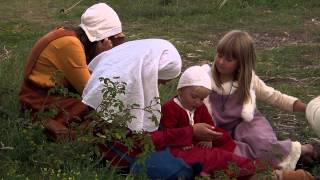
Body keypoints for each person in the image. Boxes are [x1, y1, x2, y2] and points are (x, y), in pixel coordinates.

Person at [81, 39, 315, 179]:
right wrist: (191, 133)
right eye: (161, 80)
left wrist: (204, 133)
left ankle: (269, 167)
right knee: (188, 162)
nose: (161, 86)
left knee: (228, 148)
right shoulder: (126, 95)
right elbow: (143, 142)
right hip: (135, 153)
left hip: (164, 142)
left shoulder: (131, 84)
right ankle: (265, 174)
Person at [202, 30, 317, 170]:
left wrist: (309, 108)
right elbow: (187, 101)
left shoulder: (248, 80)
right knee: (232, 156)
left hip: (248, 124)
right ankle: (292, 158)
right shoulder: (204, 78)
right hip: (220, 131)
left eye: (228, 59)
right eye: (219, 55)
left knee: (263, 145)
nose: (220, 61)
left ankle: (304, 149)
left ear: (241, 62)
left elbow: (275, 97)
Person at [19, 3, 125, 141]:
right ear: (102, 39)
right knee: (98, 109)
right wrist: (101, 57)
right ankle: (72, 140)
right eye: (111, 41)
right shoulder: (70, 44)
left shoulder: (72, 38)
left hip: (45, 95)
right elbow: (92, 92)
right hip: (37, 101)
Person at [160, 65, 235, 152]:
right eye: (194, 96)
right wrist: (183, 142)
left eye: (202, 99)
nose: (198, 102)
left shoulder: (200, 107)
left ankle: (230, 156)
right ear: (180, 91)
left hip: (199, 139)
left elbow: (209, 123)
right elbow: (168, 132)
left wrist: (208, 138)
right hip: (180, 141)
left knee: (223, 136)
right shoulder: (170, 108)